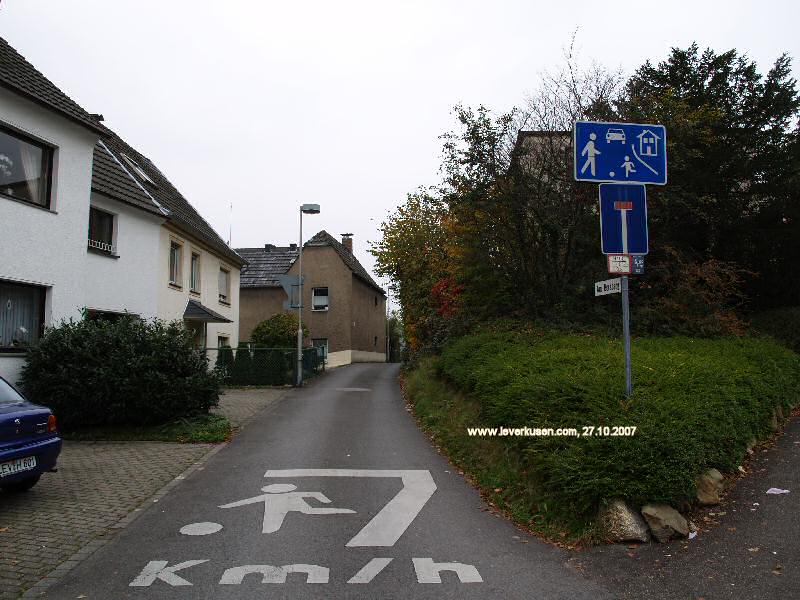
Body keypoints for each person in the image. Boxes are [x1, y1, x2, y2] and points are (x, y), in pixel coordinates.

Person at [219, 483, 356, 533]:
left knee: (271, 523)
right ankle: (343, 510)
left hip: (277, 507)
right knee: (310, 511)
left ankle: (342, 510)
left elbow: (247, 501)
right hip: (289, 504)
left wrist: (227, 506)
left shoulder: (267, 496)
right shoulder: (294, 493)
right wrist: (325, 501)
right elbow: (316, 494)